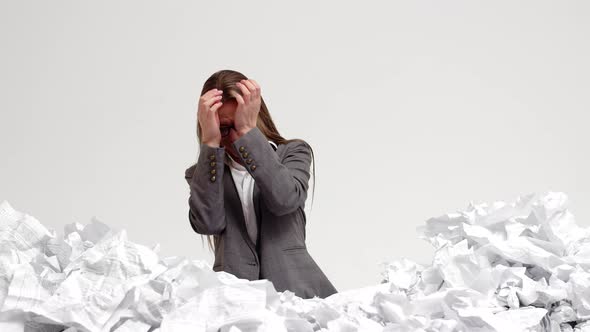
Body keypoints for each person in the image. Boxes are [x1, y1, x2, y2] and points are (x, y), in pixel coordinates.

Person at [184, 69, 338, 299]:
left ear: (256, 116)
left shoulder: (293, 152)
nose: (234, 137)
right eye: (224, 128)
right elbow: (208, 223)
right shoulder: (202, 172)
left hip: (296, 292)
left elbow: (285, 200)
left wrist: (248, 132)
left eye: (241, 123)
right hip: (235, 299)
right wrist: (210, 142)